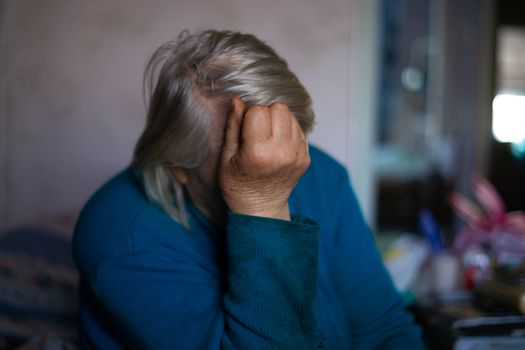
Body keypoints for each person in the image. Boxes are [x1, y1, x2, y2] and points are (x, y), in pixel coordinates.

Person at [73, 30, 424, 349]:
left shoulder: (324, 175)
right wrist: (263, 206)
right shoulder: (120, 236)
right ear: (177, 166)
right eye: (241, 154)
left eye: (277, 136)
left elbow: (382, 328)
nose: (279, 165)